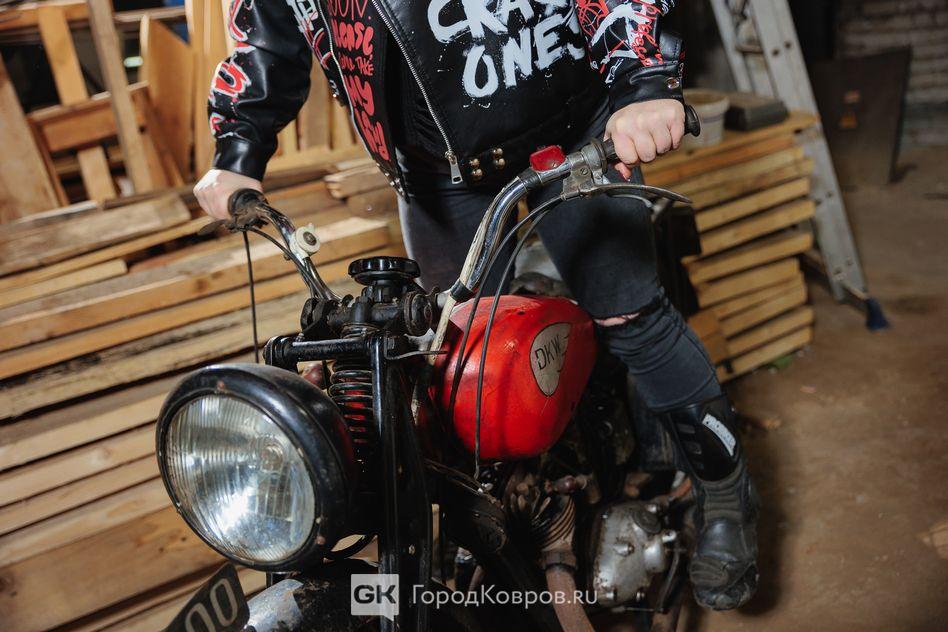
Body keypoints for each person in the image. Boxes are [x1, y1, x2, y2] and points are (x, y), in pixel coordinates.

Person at [194, 0, 758, 610]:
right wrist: (238, 149)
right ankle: (505, 528)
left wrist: (644, 80)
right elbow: (268, 34)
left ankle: (727, 500)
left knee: (631, 318)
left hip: (573, 129)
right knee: (455, 361)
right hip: (436, 172)